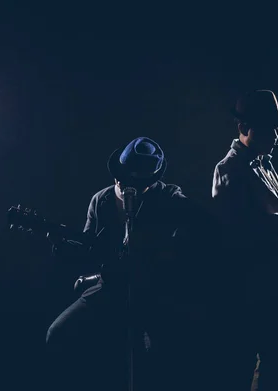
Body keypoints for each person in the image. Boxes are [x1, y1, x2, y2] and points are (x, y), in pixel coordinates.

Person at [46, 137, 214, 391]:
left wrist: (165, 253)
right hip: (111, 288)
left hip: (154, 294)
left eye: (141, 184)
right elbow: (89, 252)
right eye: (126, 181)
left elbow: (203, 230)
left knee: (153, 357)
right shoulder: (101, 202)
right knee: (58, 334)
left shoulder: (168, 197)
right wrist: (64, 246)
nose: (131, 189)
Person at [211, 90, 278, 391]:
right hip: (253, 288)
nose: (276, 134)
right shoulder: (230, 169)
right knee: (252, 368)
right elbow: (241, 231)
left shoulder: (264, 163)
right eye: (268, 127)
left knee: (277, 367)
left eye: (277, 126)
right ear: (243, 129)